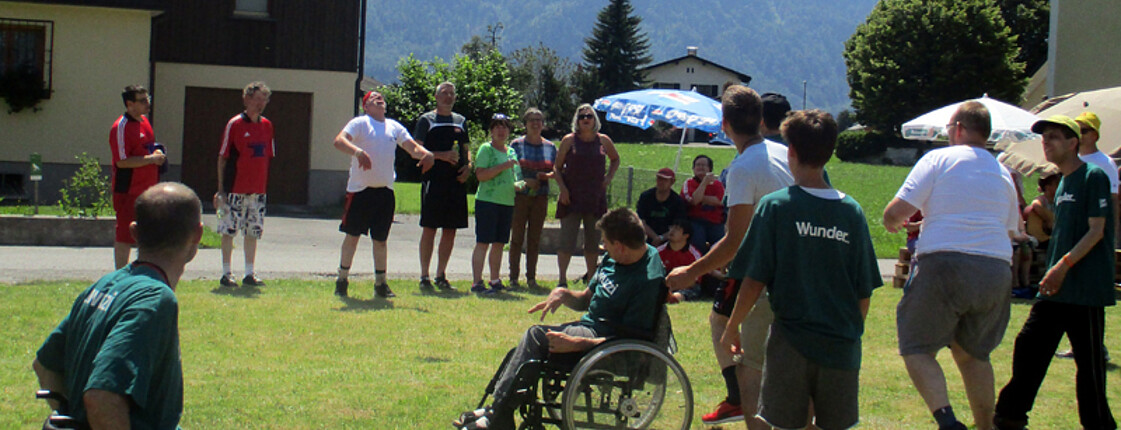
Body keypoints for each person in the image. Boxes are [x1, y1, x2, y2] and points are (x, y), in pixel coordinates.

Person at [720, 109, 881, 430]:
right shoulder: (852, 212)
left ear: (791, 151)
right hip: (841, 346)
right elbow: (864, 291)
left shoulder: (776, 206)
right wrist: (849, 334)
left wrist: (732, 325)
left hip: (790, 344)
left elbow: (753, 279)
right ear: (831, 152)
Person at [453, 208, 665, 430]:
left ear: (620, 246)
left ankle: (497, 415)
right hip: (588, 327)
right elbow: (585, 300)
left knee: (536, 337)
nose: (603, 249)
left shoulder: (647, 280)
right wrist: (563, 294)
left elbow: (630, 340)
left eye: (606, 244)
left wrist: (578, 344)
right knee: (528, 348)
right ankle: (497, 409)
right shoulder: (615, 260)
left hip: (605, 345)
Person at [883, 101, 1019, 430]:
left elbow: (894, 214)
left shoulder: (938, 158)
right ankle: (985, 426)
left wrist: (895, 223)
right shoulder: (1003, 174)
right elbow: (1011, 227)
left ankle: (947, 421)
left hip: (944, 262)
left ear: (957, 129)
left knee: (916, 348)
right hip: (996, 269)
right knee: (974, 354)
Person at [666, 85, 793, 428]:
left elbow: (735, 238)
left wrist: (690, 271)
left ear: (724, 125)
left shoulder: (742, 167)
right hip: (795, 266)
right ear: (761, 119)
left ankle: (739, 398)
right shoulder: (782, 153)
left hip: (764, 270)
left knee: (745, 351)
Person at [33, 182, 203, 429]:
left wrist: (73, 418)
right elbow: (102, 396)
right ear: (197, 234)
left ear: (134, 232)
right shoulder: (155, 300)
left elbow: (45, 365)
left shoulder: (104, 284)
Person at [993, 115, 1116, 430]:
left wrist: (1062, 266)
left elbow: (1096, 231)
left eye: (1054, 138)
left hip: (1084, 290)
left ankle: (1099, 425)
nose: (1046, 143)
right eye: (1044, 138)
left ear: (1073, 143)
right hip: (1056, 289)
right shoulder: (1062, 182)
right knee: (1028, 345)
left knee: (1089, 367)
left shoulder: (1093, 176)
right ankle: (1009, 417)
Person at [332, 91, 436, 298]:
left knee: (380, 240)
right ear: (366, 106)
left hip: (385, 191)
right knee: (352, 236)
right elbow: (339, 141)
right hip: (360, 191)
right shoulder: (360, 123)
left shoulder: (393, 126)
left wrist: (427, 155)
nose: (378, 98)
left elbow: (412, 148)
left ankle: (381, 284)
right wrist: (358, 152)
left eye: (380, 97)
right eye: (372, 98)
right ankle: (342, 280)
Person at [214, 81, 274, 288]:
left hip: (257, 190)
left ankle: (249, 273)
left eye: (264, 99)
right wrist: (221, 190)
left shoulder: (267, 126)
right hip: (234, 189)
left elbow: (268, 157)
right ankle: (226, 273)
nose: (261, 104)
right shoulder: (235, 125)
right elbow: (223, 158)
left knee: (252, 232)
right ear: (246, 99)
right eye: (257, 99)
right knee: (229, 231)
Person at [553, 104, 620, 288]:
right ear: (577, 120)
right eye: (582, 116)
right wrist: (563, 189)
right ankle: (561, 280)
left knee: (593, 243)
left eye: (589, 116)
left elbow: (616, 159)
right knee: (567, 241)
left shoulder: (604, 141)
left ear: (595, 119)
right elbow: (557, 167)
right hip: (571, 196)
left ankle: (592, 280)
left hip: (595, 197)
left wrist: (608, 178)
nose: (585, 119)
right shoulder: (569, 140)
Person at [416, 82, 472, 292]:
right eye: (444, 93)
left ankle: (441, 274)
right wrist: (440, 156)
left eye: (451, 94)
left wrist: (468, 167)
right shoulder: (426, 120)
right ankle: (424, 275)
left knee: (450, 230)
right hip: (434, 180)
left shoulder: (460, 121)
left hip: (455, 183)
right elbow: (415, 147)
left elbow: (466, 148)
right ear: (436, 96)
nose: (448, 97)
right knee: (430, 228)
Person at [110, 85, 166, 269]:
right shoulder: (120, 127)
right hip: (129, 189)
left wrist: (157, 151)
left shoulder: (144, 122)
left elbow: (148, 147)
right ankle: (120, 274)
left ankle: (144, 269)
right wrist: (151, 159)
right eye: (142, 100)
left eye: (147, 98)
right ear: (129, 104)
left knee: (147, 233)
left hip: (148, 189)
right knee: (125, 234)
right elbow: (122, 161)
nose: (147, 103)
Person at [471, 113, 523, 294]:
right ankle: (477, 281)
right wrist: (503, 166)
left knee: (500, 243)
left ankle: (495, 279)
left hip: (507, 202)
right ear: (491, 131)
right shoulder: (486, 149)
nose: (501, 131)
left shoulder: (511, 151)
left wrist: (519, 184)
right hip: (488, 201)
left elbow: (515, 175)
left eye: (504, 127)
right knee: (483, 241)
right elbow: (481, 175)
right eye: (497, 127)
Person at [508, 108, 557, 290]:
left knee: (535, 238)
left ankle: (531, 278)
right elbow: (510, 170)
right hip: (520, 195)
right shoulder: (516, 145)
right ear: (525, 124)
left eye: (539, 120)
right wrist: (524, 181)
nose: (535, 124)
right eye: (531, 120)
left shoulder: (550, 147)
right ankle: (513, 277)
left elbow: (558, 170)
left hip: (541, 197)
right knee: (517, 237)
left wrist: (548, 176)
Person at [657, 218, 708, 303]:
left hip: (685, 286)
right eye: (671, 227)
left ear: (686, 235)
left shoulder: (694, 255)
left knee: (692, 291)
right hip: (665, 283)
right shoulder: (659, 252)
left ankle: (672, 297)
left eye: (677, 229)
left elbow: (695, 280)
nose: (672, 231)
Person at [682, 154, 726, 253]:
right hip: (696, 220)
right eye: (698, 165)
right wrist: (704, 183)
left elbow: (719, 201)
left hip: (715, 221)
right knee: (697, 242)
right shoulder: (689, 183)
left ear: (709, 169)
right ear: (693, 168)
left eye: (704, 165)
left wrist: (700, 196)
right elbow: (694, 201)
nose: (700, 167)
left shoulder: (718, 184)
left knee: (721, 245)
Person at [636, 167, 686, 246]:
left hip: (668, 239)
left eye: (665, 180)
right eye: (659, 179)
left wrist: (661, 238)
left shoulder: (677, 201)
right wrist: (654, 237)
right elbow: (641, 221)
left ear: (672, 182)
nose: (661, 182)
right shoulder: (645, 197)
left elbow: (678, 226)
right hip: (646, 235)